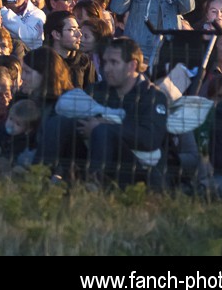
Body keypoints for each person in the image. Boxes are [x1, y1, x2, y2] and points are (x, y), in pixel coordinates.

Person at [39, 37, 170, 184]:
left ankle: (94, 186)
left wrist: (107, 127)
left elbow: (150, 138)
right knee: (59, 122)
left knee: (102, 130)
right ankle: (38, 176)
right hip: (92, 152)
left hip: (134, 167)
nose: (106, 68)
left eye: (114, 62)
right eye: (105, 62)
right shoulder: (98, 90)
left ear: (132, 66)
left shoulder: (152, 96)